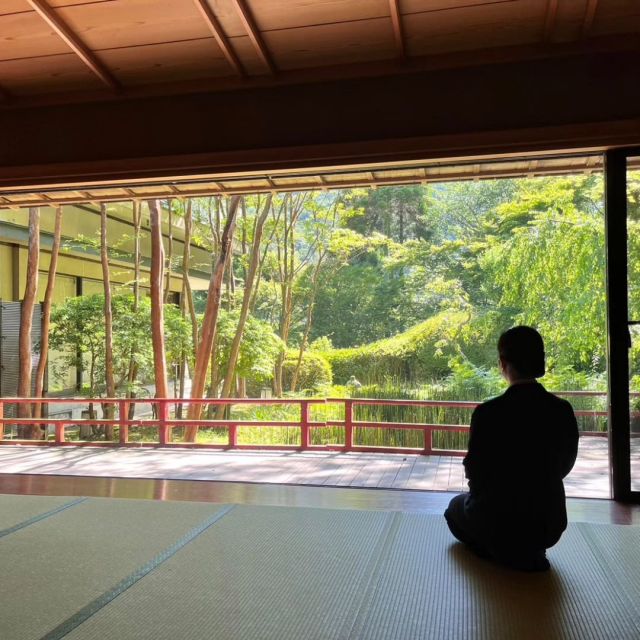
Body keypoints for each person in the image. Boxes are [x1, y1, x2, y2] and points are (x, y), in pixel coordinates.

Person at [444, 326, 579, 572]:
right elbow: (566, 464)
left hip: (495, 520)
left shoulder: (488, 413)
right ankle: (525, 551)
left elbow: (475, 470)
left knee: (453, 509)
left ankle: (496, 550)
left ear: (503, 363)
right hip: (548, 522)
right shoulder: (562, 409)